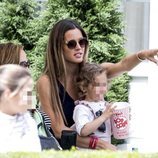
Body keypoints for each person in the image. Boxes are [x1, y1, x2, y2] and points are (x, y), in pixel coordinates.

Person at [36, 18, 158, 150]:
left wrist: (142, 55)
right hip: (65, 152)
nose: (78, 47)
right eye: (71, 44)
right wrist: (98, 144)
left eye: (82, 42)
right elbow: (59, 130)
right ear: (58, 47)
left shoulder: (91, 75)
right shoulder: (47, 82)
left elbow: (123, 65)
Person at [72, 62, 117, 150]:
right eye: (96, 85)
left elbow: (107, 132)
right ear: (84, 87)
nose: (102, 89)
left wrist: (119, 120)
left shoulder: (105, 106)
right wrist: (104, 116)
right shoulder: (81, 108)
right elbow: (83, 131)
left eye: (104, 84)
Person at [0, 64, 41, 152]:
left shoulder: (29, 121)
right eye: (26, 91)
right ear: (8, 94)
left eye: (31, 90)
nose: (30, 96)